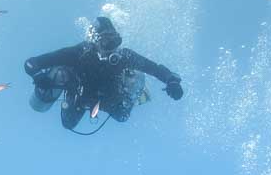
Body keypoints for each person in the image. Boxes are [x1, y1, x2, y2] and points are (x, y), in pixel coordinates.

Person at [25, 16, 184, 132]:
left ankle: (135, 93)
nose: (112, 47)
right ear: (95, 41)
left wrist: (171, 80)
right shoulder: (79, 52)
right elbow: (31, 63)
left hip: (111, 98)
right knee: (68, 124)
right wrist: (39, 77)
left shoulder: (124, 56)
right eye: (107, 42)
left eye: (115, 41)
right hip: (80, 98)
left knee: (123, 117)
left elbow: (154, 68)